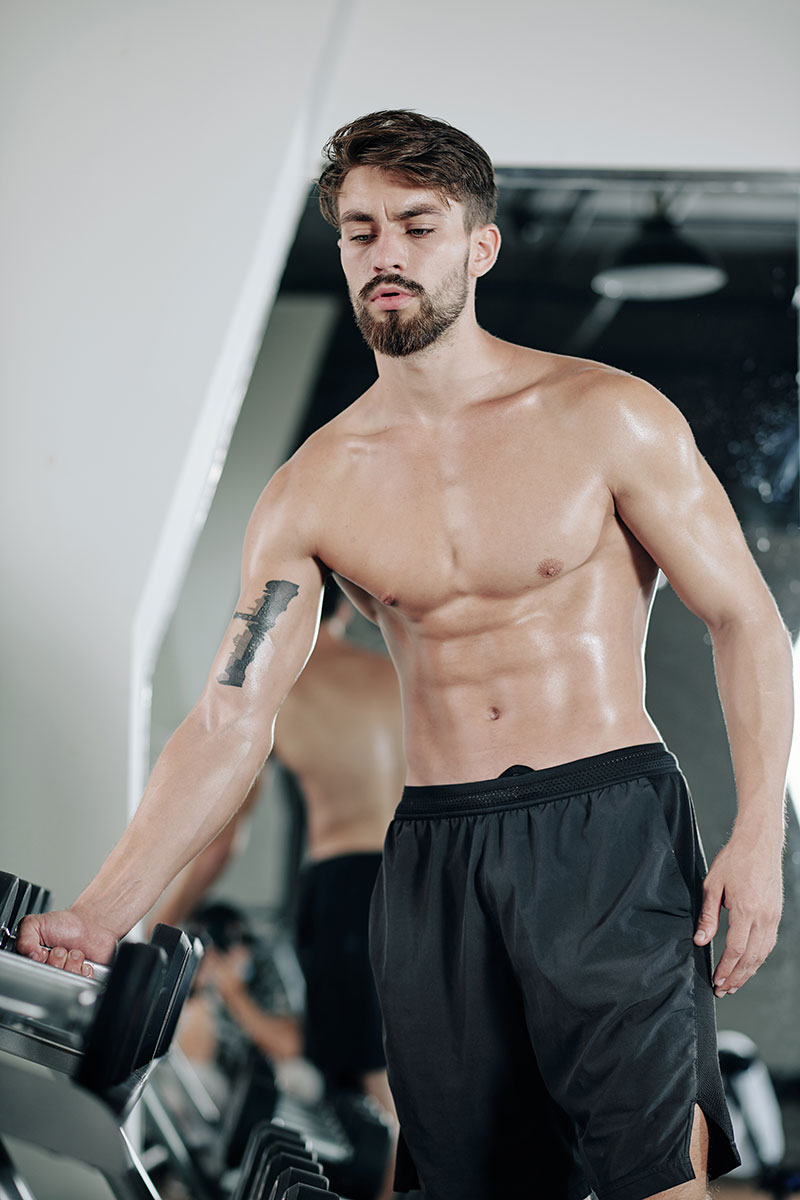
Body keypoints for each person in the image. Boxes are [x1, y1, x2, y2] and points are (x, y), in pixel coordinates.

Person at [19, 110, 792, 1200]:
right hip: (433, 854)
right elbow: (232, 716)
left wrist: (757, 835)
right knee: (460, 1181)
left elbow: (746, 620)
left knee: (649, 1168)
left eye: (415, 226)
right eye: (359, 230)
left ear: (477, 245)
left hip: (604, 830)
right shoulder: (315, 485)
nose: (384, 253)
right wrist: (104, 911)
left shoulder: (605, 417)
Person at [153, 582, 404, 1117]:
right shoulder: (394, 675)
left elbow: (222, 841)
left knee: (369, 1090)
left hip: (347, 887)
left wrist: (161, 925)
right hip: (422, 878)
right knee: (403, 1068)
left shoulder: (281, 686)